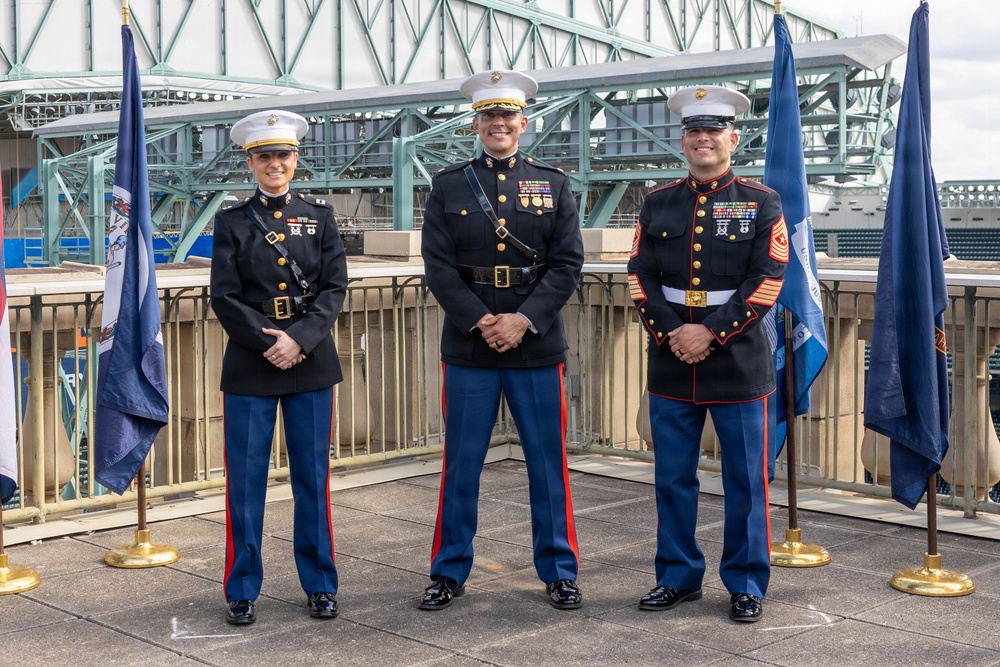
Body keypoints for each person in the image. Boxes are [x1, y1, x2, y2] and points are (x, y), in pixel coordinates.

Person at [419, 70, 585, 611]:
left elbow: (566, 264)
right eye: (489, 116)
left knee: (547, 463)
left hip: (535, 343)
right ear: (476, 124)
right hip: (470, 343)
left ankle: (559, 570)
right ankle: (448, 570)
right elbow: (439, 267)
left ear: (524, 123)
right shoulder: (447, 185)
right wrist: (481, 320)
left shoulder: (554, 183)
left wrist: (522, 319)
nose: (498, 124)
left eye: (507, 116)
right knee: (461, 464)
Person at [626, 85, 789, 623]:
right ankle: (677, 576)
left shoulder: (761, 201)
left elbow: (768, 281)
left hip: (738, 361)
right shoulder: (657, 202)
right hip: (671, 359)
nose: (703, 138)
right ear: (683, 139)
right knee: (673, 479)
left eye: (713, 130)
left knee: (746, 480)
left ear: (732, 139)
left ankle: (745, 582)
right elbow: (640, 276)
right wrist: (674, 333)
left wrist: (709, 334)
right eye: (694, 131)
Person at [210, 109, 348, 625]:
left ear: (296, 160)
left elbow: (335, 287)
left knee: (313, 481)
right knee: (245, 484)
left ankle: (320, 583)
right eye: (264, 156)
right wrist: (271, 343)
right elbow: (223, 296)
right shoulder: (231, 222)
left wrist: (300, 339)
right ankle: (242, 588)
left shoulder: (321, 215)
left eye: (282, 155)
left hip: (309, 362)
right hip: (252, 362)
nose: (274, 164)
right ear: (250, 162)